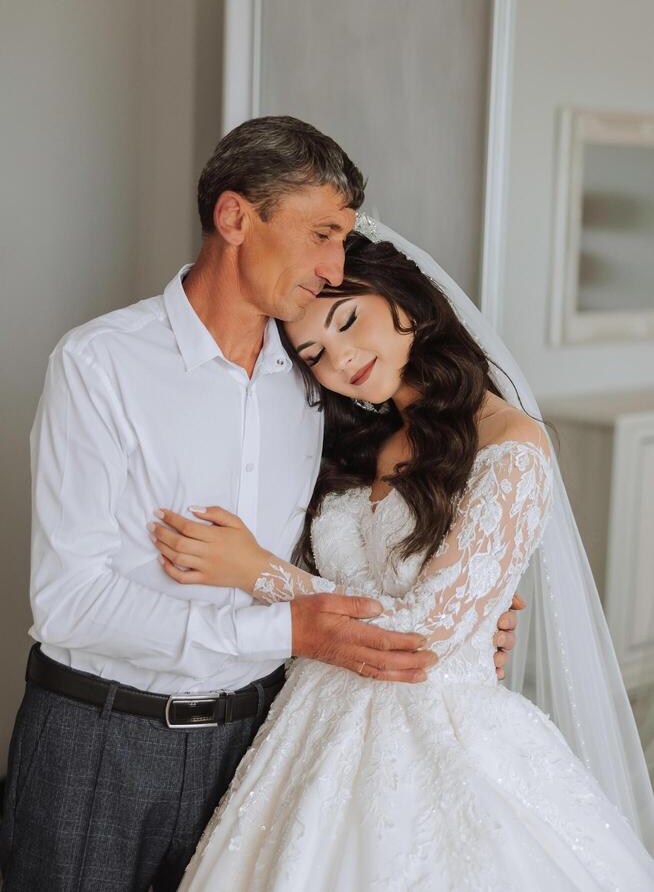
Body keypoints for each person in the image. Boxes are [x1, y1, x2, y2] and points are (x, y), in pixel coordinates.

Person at [0, 118, 519, 892]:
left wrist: (469, 617)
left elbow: (382, 526)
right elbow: (69, 602)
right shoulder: (100, 364)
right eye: (320, 233)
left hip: (264, 745)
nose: (334, 265)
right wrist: (291, 626)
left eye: (342, 239)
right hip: (100, 739)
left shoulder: (326, 383)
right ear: (236, 218)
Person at [151, 227, 654, 890]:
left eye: (347, 320)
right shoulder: (360, 443)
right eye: (314, 351)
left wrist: (254, 570)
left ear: (405, 303)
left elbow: (426, 636)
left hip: (438, 736)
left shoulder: (512, 444)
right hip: (309, 727)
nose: (339, 357)